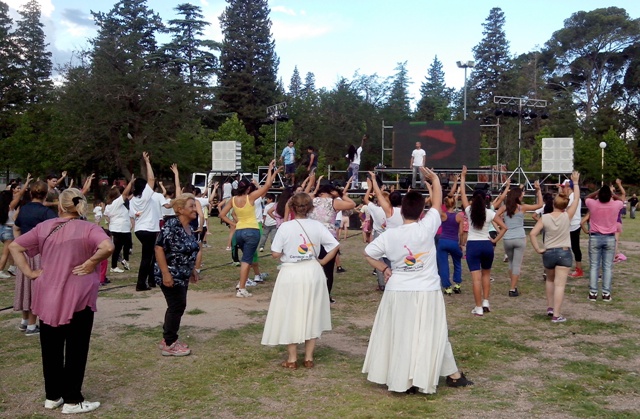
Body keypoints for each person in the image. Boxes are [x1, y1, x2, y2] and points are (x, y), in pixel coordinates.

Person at [363, 168, 472, 394]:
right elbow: (438, 203)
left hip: (398, 290)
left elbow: (368, 253)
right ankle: (422, 378)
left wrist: (384, 267)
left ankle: (421, 378)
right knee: (430, 333)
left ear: (402, 212)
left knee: (401, 334)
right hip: (426, 291)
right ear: (422, 211)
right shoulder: (427, 226)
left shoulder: (390, 235)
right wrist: (434, 181)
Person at [9, 188, 114, 414]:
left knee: (51, 347)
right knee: (76, 348)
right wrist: (90, 263)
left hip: (47, 295)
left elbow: (15, 246)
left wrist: (29, 272)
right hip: (78, 297)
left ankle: (53, 395)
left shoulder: (44, 227)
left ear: (59, 206)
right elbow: (108, 246)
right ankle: (72, 400)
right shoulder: (89, 228)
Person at [261, 192, 340, 369]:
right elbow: (334, 245)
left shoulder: (285, 227)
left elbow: (275, 253)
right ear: (311, 207)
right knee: (311, 311)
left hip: (291, 273)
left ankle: (292, 358)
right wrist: (322, 261)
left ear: (292, 207)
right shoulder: (318, 226)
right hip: (312, 271)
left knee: (291, 312)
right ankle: (309, 357)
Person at [220, 160, 279, 297]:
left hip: (239, 232)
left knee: (247, 258)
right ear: (247, 188)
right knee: (247, 260)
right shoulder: (250, 197)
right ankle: (242, 287)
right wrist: (270, 170)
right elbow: (268, 185)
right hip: (252, 230)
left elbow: (222, 214)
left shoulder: (233, 199)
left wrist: (233, 224)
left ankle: (245, 281)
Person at [529, 172, 581, 323]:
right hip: (564, 252)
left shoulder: (545, 218)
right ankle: (556, 315)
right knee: (560, 284)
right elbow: (576, 199)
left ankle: (550, 307)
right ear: (565, 205)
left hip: (549, 252)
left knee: (550, 281)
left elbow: (532, 234)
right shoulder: (567, 216)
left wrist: (538, 249)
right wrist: (575, 183)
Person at [154, 194, 201, 356]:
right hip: (170, 274)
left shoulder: (188, 226)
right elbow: (159, 248)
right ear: (180, 209)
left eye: (195, 206)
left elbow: (189, 250)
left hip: (182, 274)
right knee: (176, 306)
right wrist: (166, 273)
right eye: (192, 206)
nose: (195, 209)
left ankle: (167, 337)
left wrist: (192, 270)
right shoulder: (172, 225)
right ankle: (169, 343)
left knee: (177, 306)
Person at [460, 165, 508, 316]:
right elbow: (504, 228)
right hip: (487, 245)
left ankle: (478, 307)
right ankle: (486, 301)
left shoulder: (469, 211)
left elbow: (462, 193)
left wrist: (463, 177)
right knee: (486, 274)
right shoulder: (489, 213)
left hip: (473, 245)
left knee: (476, 279)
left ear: (473, 199)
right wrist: (494, 241)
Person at [13, 180, 58, 335]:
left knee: (24, 287)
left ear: (30, 193)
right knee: (35, 288)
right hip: (38, 253)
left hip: (22, 252)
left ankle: (24, 321)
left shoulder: (24, 209)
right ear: (45, 194)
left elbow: (16, 227)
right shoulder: (46, 213)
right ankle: (32, 326)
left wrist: (18, 241)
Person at [308, 176, 355, 303]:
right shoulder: (333, 202)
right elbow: (352, 204)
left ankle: (310, 294)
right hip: (328, 237)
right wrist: (340, 194)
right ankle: (326, 296)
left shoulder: (311, 200)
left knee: (310, 266)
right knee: (328, 269)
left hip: (311, 235)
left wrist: (313, 185)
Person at [495, 181, 543, 296]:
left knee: (511, 263)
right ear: (518, 196)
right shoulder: (523, 207)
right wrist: (538, 190)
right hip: (519, 238)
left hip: (507, 238)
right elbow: (540, 205)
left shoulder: (504, 208)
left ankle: (514, 285)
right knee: (517, 264)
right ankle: (512, 288)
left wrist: (501, 228)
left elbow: (494, 217)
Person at [584, 179, 625, 302]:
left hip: (595, 237)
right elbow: (621, 199)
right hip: (610, 238)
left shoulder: (593, 204)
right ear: (610, 196)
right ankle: (606, 293)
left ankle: (593, 293)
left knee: (594, 266)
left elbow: (587, 197)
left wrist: (596, 192)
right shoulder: (615, 205)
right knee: (607, 267)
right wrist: (612, 194)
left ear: (599, 195)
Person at [130, 152, 162, 291]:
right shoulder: (146, 197)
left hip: (139, 230)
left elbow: (133, 215)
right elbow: (151, 178)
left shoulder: (132, 200)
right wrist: (147, 162)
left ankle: (150, 280)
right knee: (147, 257)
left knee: (149, 256)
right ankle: (141, 283)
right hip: (149, 229)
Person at [104, 178, 134, 273]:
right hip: (120, 228)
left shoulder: (109, 205)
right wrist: (131, 182)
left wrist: (111, 222)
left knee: (121, 247)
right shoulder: (117, 203)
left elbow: (106, 215)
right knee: (120, 247)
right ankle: (114, 266)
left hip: (117, 228)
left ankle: (121, 262)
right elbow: (125, 194)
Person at [556, 180, 585, 278]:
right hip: (571, 225)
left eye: (563, 187)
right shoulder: (571, 197)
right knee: (568, 247)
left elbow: (562, 207)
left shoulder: (572, 198)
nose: (562, 189)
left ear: (569, 187)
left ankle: (579, 269)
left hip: (573, 225)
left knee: (575, 247)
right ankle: (574, 267)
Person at [437, 194, 464, 295]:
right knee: (457, 263)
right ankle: (457, 284)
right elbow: (461, 233)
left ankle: (447, 287)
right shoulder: (459, 217)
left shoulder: (443, 215)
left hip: (443, 241)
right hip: (453, 241)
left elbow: (436, 205)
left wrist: (432, 190)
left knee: (443, 264)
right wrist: (461, 244)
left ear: (445, 204)